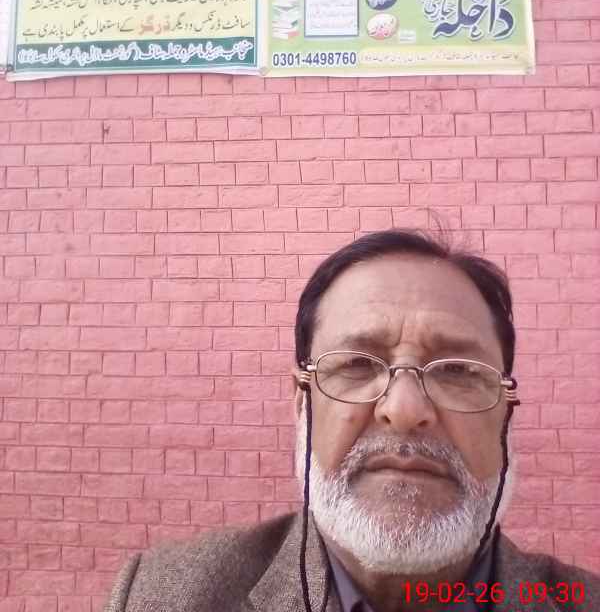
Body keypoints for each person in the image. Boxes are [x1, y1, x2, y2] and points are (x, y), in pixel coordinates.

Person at [102, 228, 600, 612]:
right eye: (358, 365)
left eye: (456, 372)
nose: (404, 410)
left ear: (505, 414)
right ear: (301, 403)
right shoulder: (160, 596)